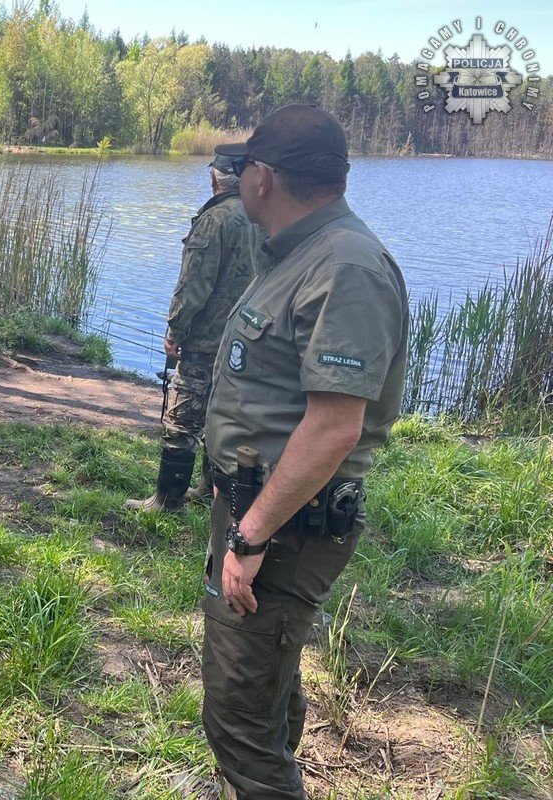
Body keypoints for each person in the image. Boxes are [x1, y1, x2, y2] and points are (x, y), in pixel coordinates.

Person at [200, 104, 408, 799]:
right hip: (257, 511)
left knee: (236, 719)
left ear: (263, 177)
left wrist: (252, 534)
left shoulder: (347, 267)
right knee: (262, 695)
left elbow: (333, 427)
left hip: (286, 525)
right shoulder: (294, 251)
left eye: (245, 166)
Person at [125, 153, 260, 512]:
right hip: (249, 341)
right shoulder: (264, 218)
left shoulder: (214, 220)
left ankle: (167, 500)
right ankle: (207, 489)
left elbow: (193, 286)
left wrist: (175, 330)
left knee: (183, 419)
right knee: (224, 416)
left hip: (206, 339)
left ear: (216, 180)